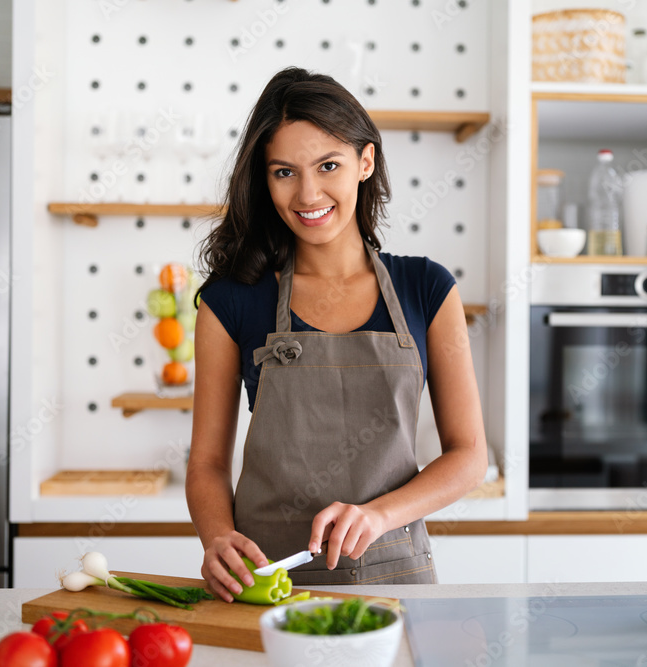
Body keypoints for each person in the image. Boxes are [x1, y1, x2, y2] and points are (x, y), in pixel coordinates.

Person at [186, 66, 488, 602]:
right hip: (266, 583)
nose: (308, 193)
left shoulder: (428, 288)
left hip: (397, 577)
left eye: (328, 165)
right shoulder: (230, 301)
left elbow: (468, 455)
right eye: (284, 172)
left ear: (364, 161)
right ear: (264, 177)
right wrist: (217, 538)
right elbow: (207, 463)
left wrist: (378, 515)